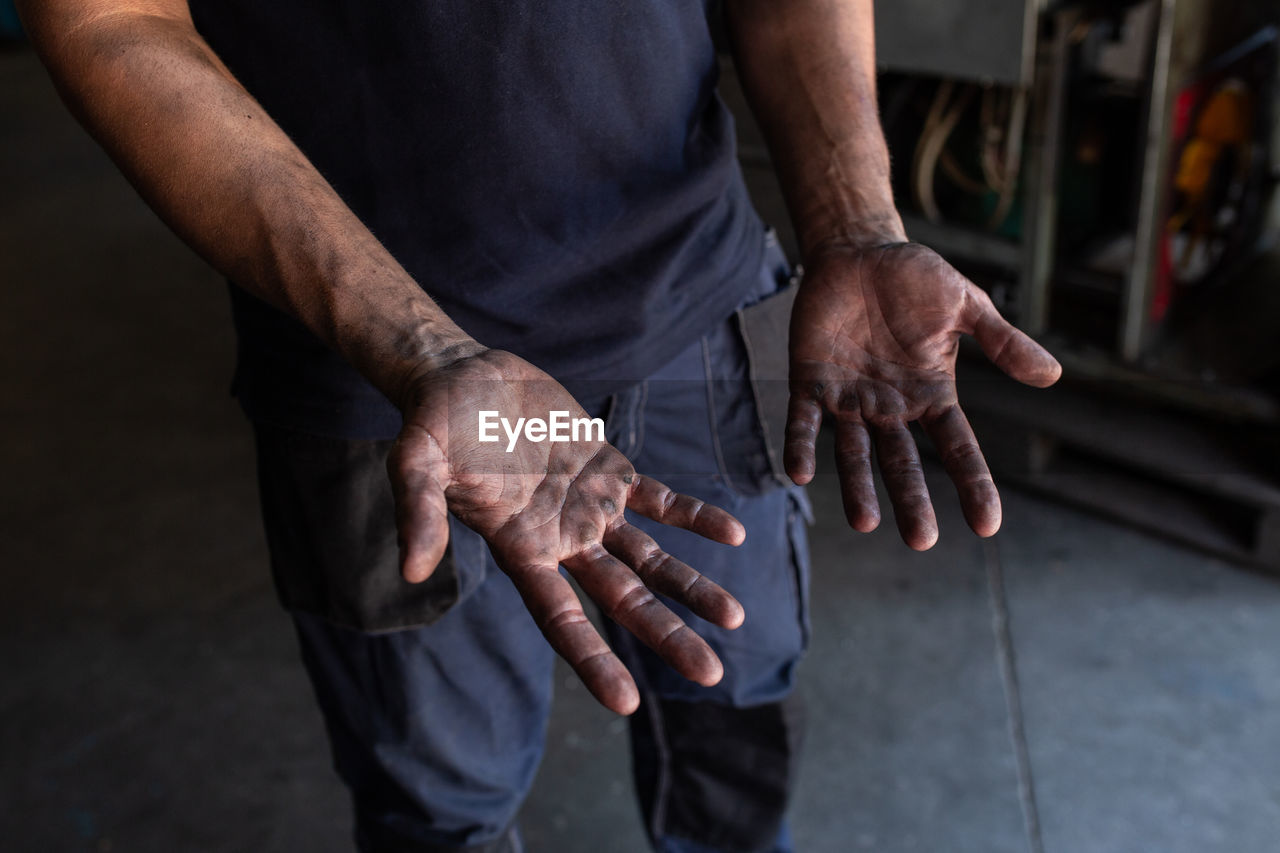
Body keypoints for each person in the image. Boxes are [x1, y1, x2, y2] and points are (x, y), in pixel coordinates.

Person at [20, 0, 1063, 850]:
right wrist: (423, 351)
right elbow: (113, 22)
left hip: (693, 304)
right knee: (441, 800)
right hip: (383, 386)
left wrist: (854, 224)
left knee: (736, 701)